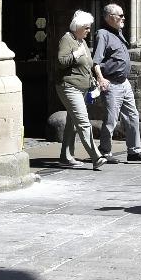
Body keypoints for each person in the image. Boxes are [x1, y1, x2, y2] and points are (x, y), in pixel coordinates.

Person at [92, 3, 141, 163]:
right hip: (111, 83)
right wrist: (100, 78)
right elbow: (95, 61)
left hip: (124, 83)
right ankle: (104, 152)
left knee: (133, 116)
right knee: (111, 119)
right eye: (120, 15)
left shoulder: (118, 33)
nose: (124, 18)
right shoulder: (102, 34)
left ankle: (134, 151)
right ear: (110, 17)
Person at [55, 10, 106, 171]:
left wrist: (95, 80)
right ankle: (96, 157)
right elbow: (61, 62)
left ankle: (66, 157)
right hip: (69, 87)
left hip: (82, 88)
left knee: (73, 124)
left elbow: (88, 65)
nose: (88, 31)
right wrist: (76, 55)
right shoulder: (67, 39)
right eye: (86, 28)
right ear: (77, 27)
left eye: (89, 28)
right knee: (84, 122)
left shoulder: (81, 41)